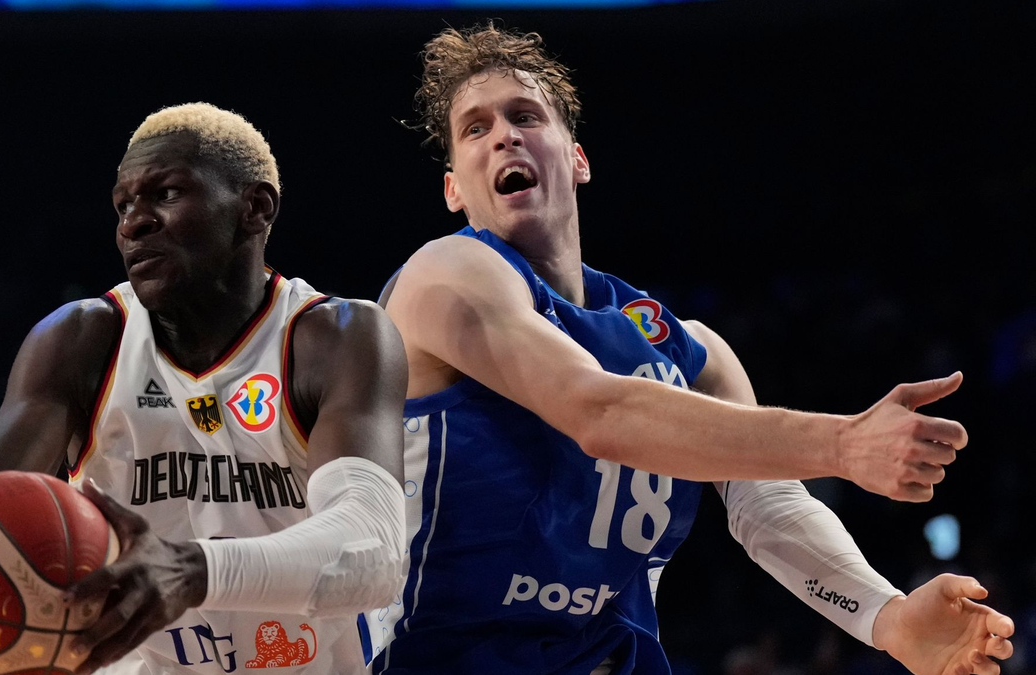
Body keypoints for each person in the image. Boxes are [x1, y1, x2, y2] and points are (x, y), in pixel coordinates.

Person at [368, 24, 1014, 675]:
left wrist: (886, 615)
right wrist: (844, 443)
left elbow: (771, 507)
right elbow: (599, 413)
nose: (504, 134)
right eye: (475, 128)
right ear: (454, 189)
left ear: (578, 158)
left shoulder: (689, 349)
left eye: (525, 116)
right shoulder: (443, 276)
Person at [0, 102, 409, 675]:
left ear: (254, 208)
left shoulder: (338, 337)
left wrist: (191, 571)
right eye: (123, 205)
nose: (133, 222)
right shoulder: (78, 341)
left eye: (166, 194)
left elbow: (372, 552)